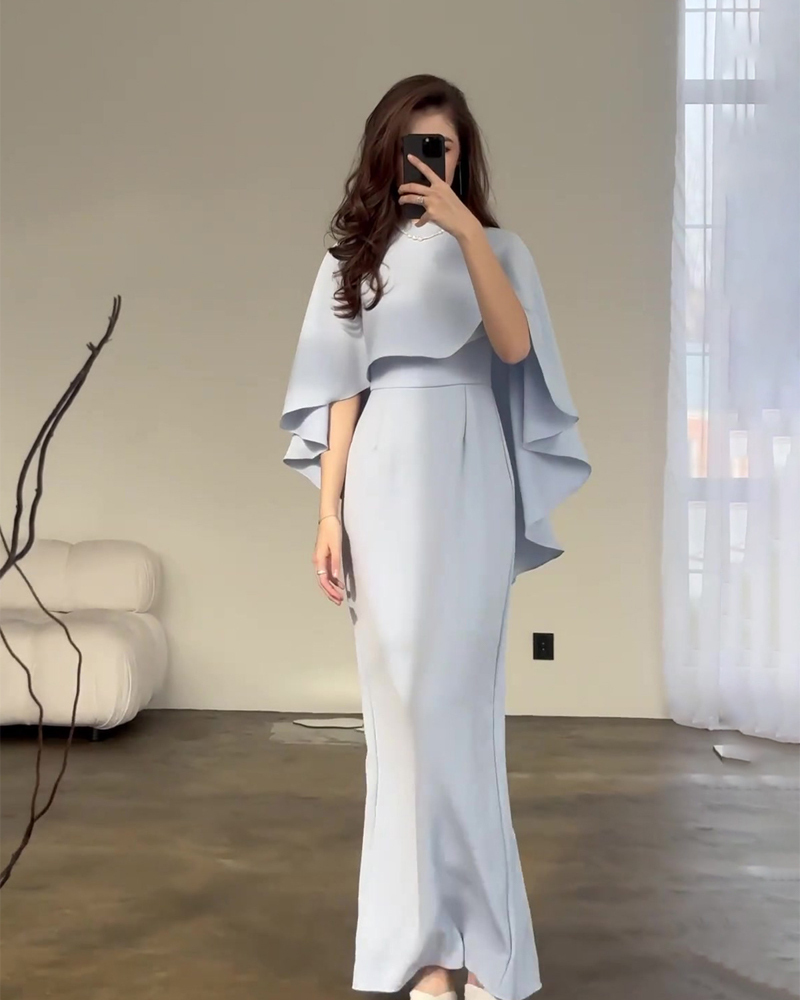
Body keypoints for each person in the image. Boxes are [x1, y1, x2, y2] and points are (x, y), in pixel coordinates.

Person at [280, 74, 590, 1000]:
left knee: (461, 708)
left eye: (441, 146)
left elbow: (512, 348)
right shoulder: (354, 258)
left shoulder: (499, 247)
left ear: (461, 155)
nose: (426, 159)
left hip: (469, 471)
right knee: (401, 714)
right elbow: (342, 387)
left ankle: (484, 948)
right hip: (382, 475)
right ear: (387, 151)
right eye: (413, 144)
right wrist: (328, 511)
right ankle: (420, 951)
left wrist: (466, 232)